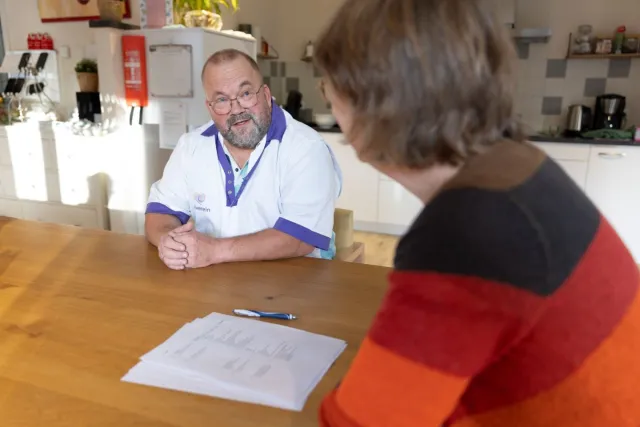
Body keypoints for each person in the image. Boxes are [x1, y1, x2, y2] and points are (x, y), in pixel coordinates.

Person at [314, 0, 640, 426]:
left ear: (372, 102)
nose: (325, 94)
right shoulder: (516, 166)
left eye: (329, 83)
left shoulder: (467, 228)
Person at [145, 49, 341, 269]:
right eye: (221, 99)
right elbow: (160, 212)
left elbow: (301, 238)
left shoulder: (306, 148)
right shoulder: (191, 146)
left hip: (294, 287)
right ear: (209, 108)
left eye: (246, 93)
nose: (236, 109)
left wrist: (214, 251)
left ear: (266, 95)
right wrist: (168, 241)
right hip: (213, 285)